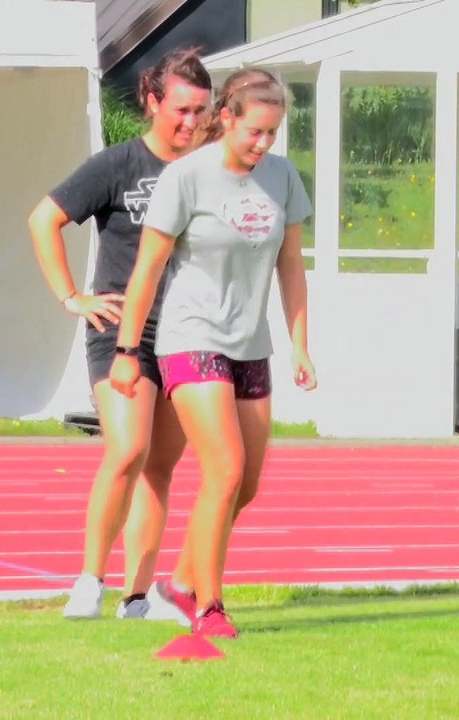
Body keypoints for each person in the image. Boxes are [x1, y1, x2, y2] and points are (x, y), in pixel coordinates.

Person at [110, 68, 316, 638]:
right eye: (255, 131)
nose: (264, 143)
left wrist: (299, 343)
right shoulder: (186, 178)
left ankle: (179, 580)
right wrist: (127, 350)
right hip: (191, 335)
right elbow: (147, 268)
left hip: (251, 343)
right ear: (226, 117)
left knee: (244, 484)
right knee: (222, 469)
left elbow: (291, 264)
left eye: (273, 133)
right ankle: (209, 606)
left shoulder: (283, 178)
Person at [28, 48, 212, 620]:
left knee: (160, 467)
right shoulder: (117, 165)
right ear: (152, 102)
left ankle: (138, 596)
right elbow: (44, 219)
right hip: (119, 332)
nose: (191, 123)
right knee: (128, 449)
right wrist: (71, 297)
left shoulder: (209, 172)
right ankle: (89, 580)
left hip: (184, 333)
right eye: (181, 110)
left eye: (201, 112)